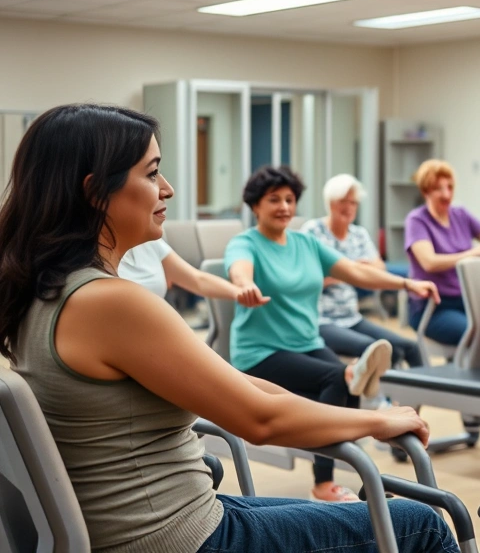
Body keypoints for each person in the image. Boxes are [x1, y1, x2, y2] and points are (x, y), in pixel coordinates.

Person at [0, 104, 456, 553]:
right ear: (97, 191)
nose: (168, 189)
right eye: (152, 172)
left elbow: (240, 390)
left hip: (160, 520)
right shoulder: (110, 302)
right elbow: (259, 420)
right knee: (420, 523)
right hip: (176, 537)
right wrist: (376, 419)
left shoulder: (41, 291)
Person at [226, 165, 439, 501]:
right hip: (260, 352)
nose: (283, 206)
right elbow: (239, 269)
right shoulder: (246, 243)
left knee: (347, 387)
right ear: (255, 206)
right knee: (338, 379)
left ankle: (356, 472)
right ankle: (323, 484)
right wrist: (245, 284)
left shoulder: (306, 244)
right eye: (273, 200)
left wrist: (407, 283)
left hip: (307, 343)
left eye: (289, 199)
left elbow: (356, 272)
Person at [302, 174, 424, 372]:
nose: (349, 207)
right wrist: (350, 270)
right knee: (379, 350)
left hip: (351, 317)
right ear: (330, 203)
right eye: (343, 201)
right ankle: (382, 400)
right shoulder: (313, 232)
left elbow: (379, 268)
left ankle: (414, 401)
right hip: (321, 320)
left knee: (410, 347)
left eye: (354, 203)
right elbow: (305, 278)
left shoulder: (359, 234)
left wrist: (353, 271)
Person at [406, 159, 480, 346]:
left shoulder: (460, 214)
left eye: (450, 187)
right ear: (425, 191)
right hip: (433, 308)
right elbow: (429, 262)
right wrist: (473, 254)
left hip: (467, 301)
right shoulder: (417, 221)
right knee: (478, 335)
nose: (446, 194)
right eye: (438, 188)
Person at [119, 239, 265, 306]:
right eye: (151, 176)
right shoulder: (97, 261)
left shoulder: (150, 243)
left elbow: (197, 280)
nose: (167, 192)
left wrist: (238, 292)